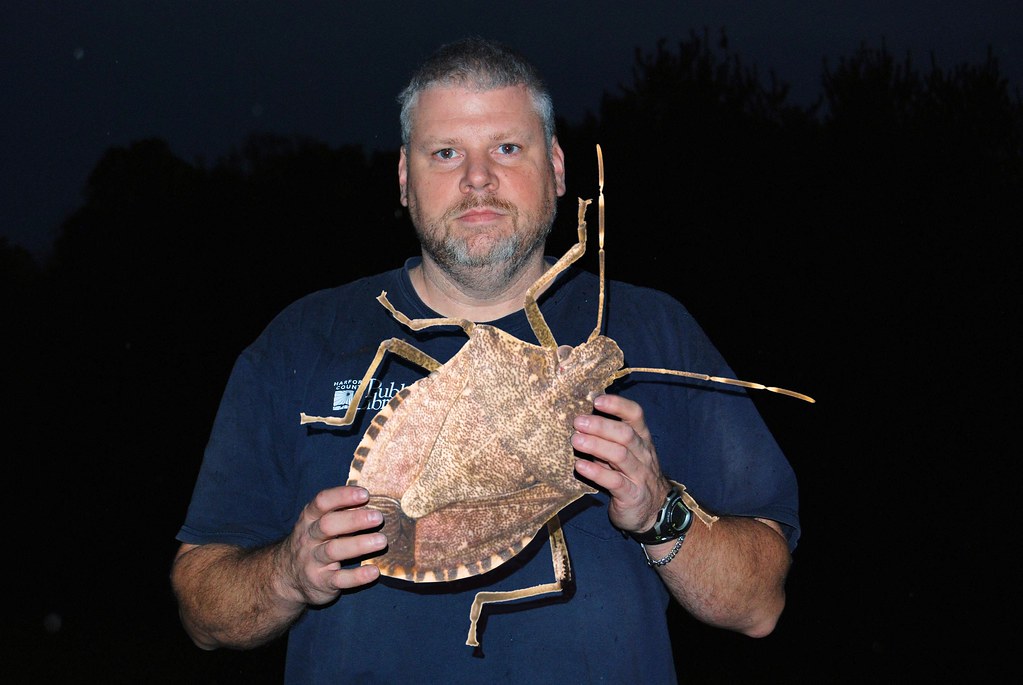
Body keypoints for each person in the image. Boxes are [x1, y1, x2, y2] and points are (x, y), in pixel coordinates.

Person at [171, 37, 800, 683]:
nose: (478, 178)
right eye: (445, 153)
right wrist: (287, 573)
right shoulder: (301, 340)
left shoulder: (657, 329)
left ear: (556, 169)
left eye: (507, 147)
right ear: (403, 178)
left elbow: (757, 606)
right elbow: (202, 611)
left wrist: (658, 510)